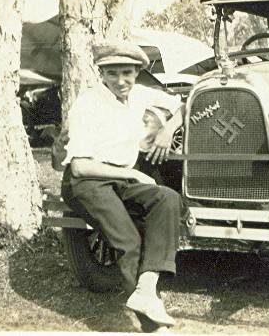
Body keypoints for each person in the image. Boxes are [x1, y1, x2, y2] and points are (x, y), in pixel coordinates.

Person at [60, 39, 184, 328]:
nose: (120, 80)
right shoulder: (87, 103)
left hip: (122, 177)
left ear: (137, 72)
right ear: (101, 73)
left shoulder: (140, 94)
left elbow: (183, 105)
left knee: (167, 199)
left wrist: (168, 129)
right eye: (112, 73)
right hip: (87, 182)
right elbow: (79, 167)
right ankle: (151, 325)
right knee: (129, 241)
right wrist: (132, 175)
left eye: (127, 72)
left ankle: (145, 291)